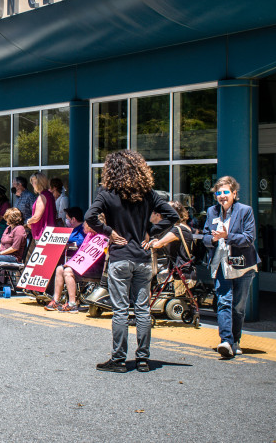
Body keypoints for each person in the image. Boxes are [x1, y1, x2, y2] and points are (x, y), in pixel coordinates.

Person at [85, 150, 179, 373]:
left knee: (120, 311)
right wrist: (150, 232)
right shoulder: (148, 194)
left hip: (120, 257)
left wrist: (108, 231)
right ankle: (143, 359)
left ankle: (118, 360)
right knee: (143, 310)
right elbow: (173, 216)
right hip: (143, 258)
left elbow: (90, 217)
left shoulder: (107, 193)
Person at [202, 176, 260, 359]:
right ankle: (225, 341)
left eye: (226, 192)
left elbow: (249, 238)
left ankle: (235, 340)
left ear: (234, 194)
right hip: (221, 263)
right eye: (218, 193)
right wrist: (212, 238)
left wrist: (227, 236)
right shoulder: (212, 212)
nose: (222, 196)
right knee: (224, 301)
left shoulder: (245, 211)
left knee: (238, 306)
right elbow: (204, 236)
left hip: (242, 265)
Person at [45, 206, 88, 313]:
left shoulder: (82, 230)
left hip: (79, 261)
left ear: (73, 219)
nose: (66, 221)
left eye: (68, 218)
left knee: (65, 270)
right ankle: (56, 300)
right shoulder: (72, 230)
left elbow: (80, 243)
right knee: (59, 269)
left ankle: (72, 303)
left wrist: (67, 245)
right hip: (69, 260)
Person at [26, 172, 57, 242]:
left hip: (42, 233)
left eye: (33, 182)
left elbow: (36, 217)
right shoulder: (49, 194)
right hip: (49, 232)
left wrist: (28, 221)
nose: (32, 185)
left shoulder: (42, 196)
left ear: (38, 183)